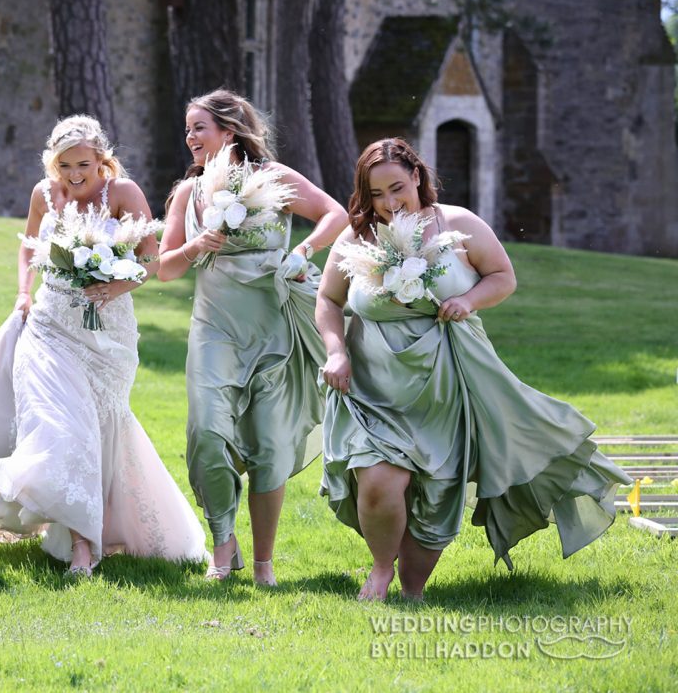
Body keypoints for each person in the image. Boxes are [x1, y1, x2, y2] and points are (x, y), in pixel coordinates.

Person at [316, 138, 630, 601]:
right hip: (374, 384)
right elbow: (329, 300)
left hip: (448, 383)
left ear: (418, 176)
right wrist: (335, 350)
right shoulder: (357, 236)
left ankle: (413, 591)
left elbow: (503, 277)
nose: (388, 203)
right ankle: (381, 570)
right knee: (379, 480)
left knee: (436, 497)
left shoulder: (457, 225)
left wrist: (467, 300)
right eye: (376, 194)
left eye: (397, 188)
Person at [0, 114, 206, 576]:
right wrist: (23, 292)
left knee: (98, 429)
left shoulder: (123, 194)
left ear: (101, 160)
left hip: (107, 333)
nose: (73, 175)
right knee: (57, 426)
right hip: (48, 326)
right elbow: (29, 247)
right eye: (64, 165)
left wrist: (115, 286)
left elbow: (150, 260)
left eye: (83, 164)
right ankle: (82, 546)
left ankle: (90, 527)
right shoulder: (42, 195)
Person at [156, 90, 348, 585]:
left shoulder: (275, 179)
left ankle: (263, 563)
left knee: (270, 444)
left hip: (274, 328)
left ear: (229, 131)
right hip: (214, 331)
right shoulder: (187, 193)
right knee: (207, 435)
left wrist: (303, 250)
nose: (190, 137)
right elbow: (164, 269)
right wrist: (197, 244)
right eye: (187, 129)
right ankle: (223, 544)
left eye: (199, 127)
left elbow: (335, 214)